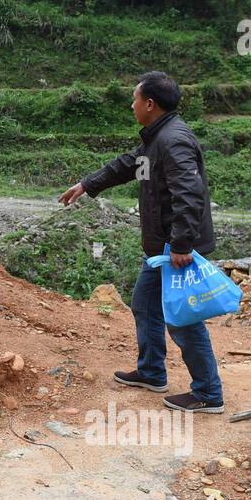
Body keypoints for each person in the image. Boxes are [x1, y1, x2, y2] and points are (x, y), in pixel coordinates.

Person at [59, 71, 224, 413]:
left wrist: (180, 245)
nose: (131, 104)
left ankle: (208, 393)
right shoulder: (156, 139)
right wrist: (88, 184)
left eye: (134, 99)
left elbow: (190, 196)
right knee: (145, 305)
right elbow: (128, 165)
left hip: (173, 250)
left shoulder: (173, 141)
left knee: (183, 318)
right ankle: (151, 372)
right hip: (161, 250)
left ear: (150, 104)